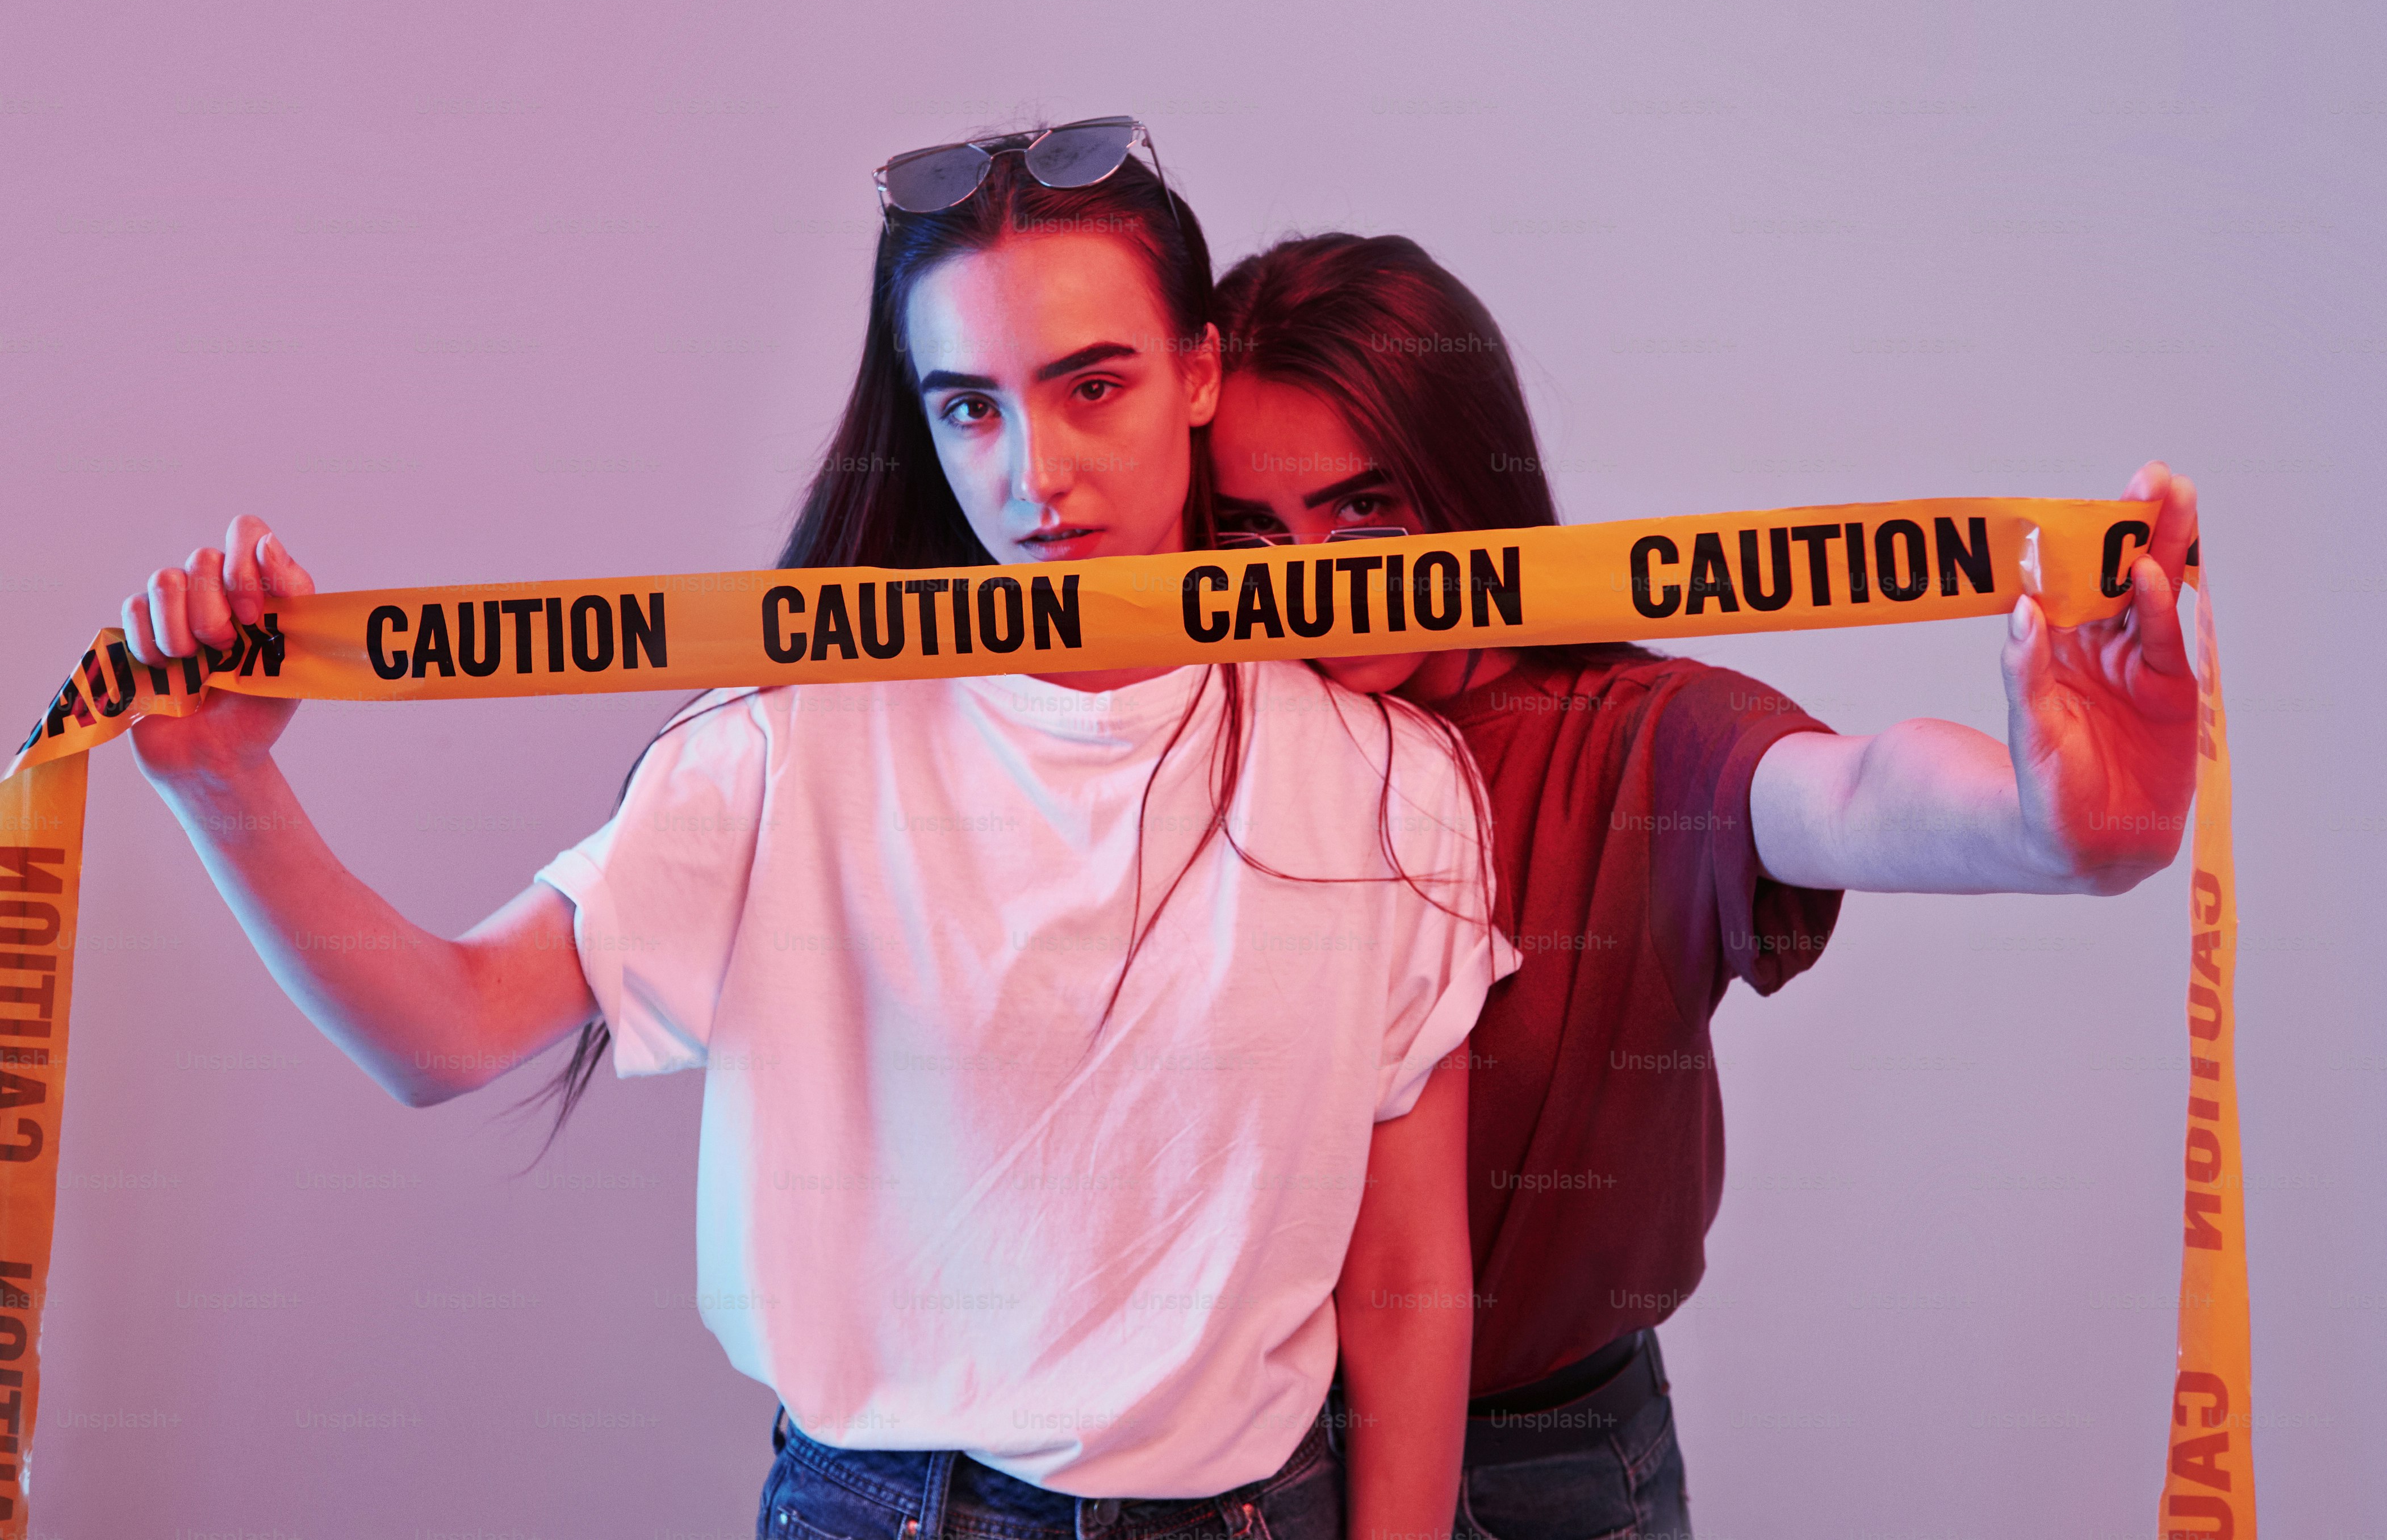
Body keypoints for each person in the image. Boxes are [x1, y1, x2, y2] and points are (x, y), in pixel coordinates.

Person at [116, 132, 1513, 1540]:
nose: (1038, 475)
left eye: (1094, 386)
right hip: (872, 1509)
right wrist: (222, 786)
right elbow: (445, 1029)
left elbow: (1403, 1279)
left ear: (1199, 373)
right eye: (970, 409)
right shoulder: (791, 740)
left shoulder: (1392, 783)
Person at [1205, 232, 2200, 1538]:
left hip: (1549, 1462)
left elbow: (1842, 791)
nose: (1319, 584)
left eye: (1364, 511)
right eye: (1248, 535)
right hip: (1231, 1472)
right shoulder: (1196, 737)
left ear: (1462, 482)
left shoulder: (1638, 737)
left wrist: (2045, 829)